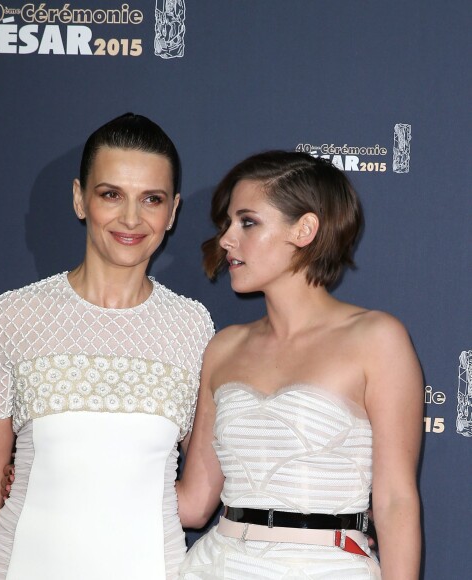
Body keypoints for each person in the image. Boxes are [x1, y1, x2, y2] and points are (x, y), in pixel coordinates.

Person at [0, 113, 214, 580]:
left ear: (172, 212)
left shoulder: (192, 327)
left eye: (150, 199)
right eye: (111, 195)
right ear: (79, 199)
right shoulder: (14, 316)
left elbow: (205, 487)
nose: (131, 218)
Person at [176, 151, 422, 579]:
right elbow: (195, 503)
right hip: (216, 567)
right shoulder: (224, 348)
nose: (227, 239)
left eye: (247, 222)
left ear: (305, 229)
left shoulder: (377, 338)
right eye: (227, 224)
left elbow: (395, 501)